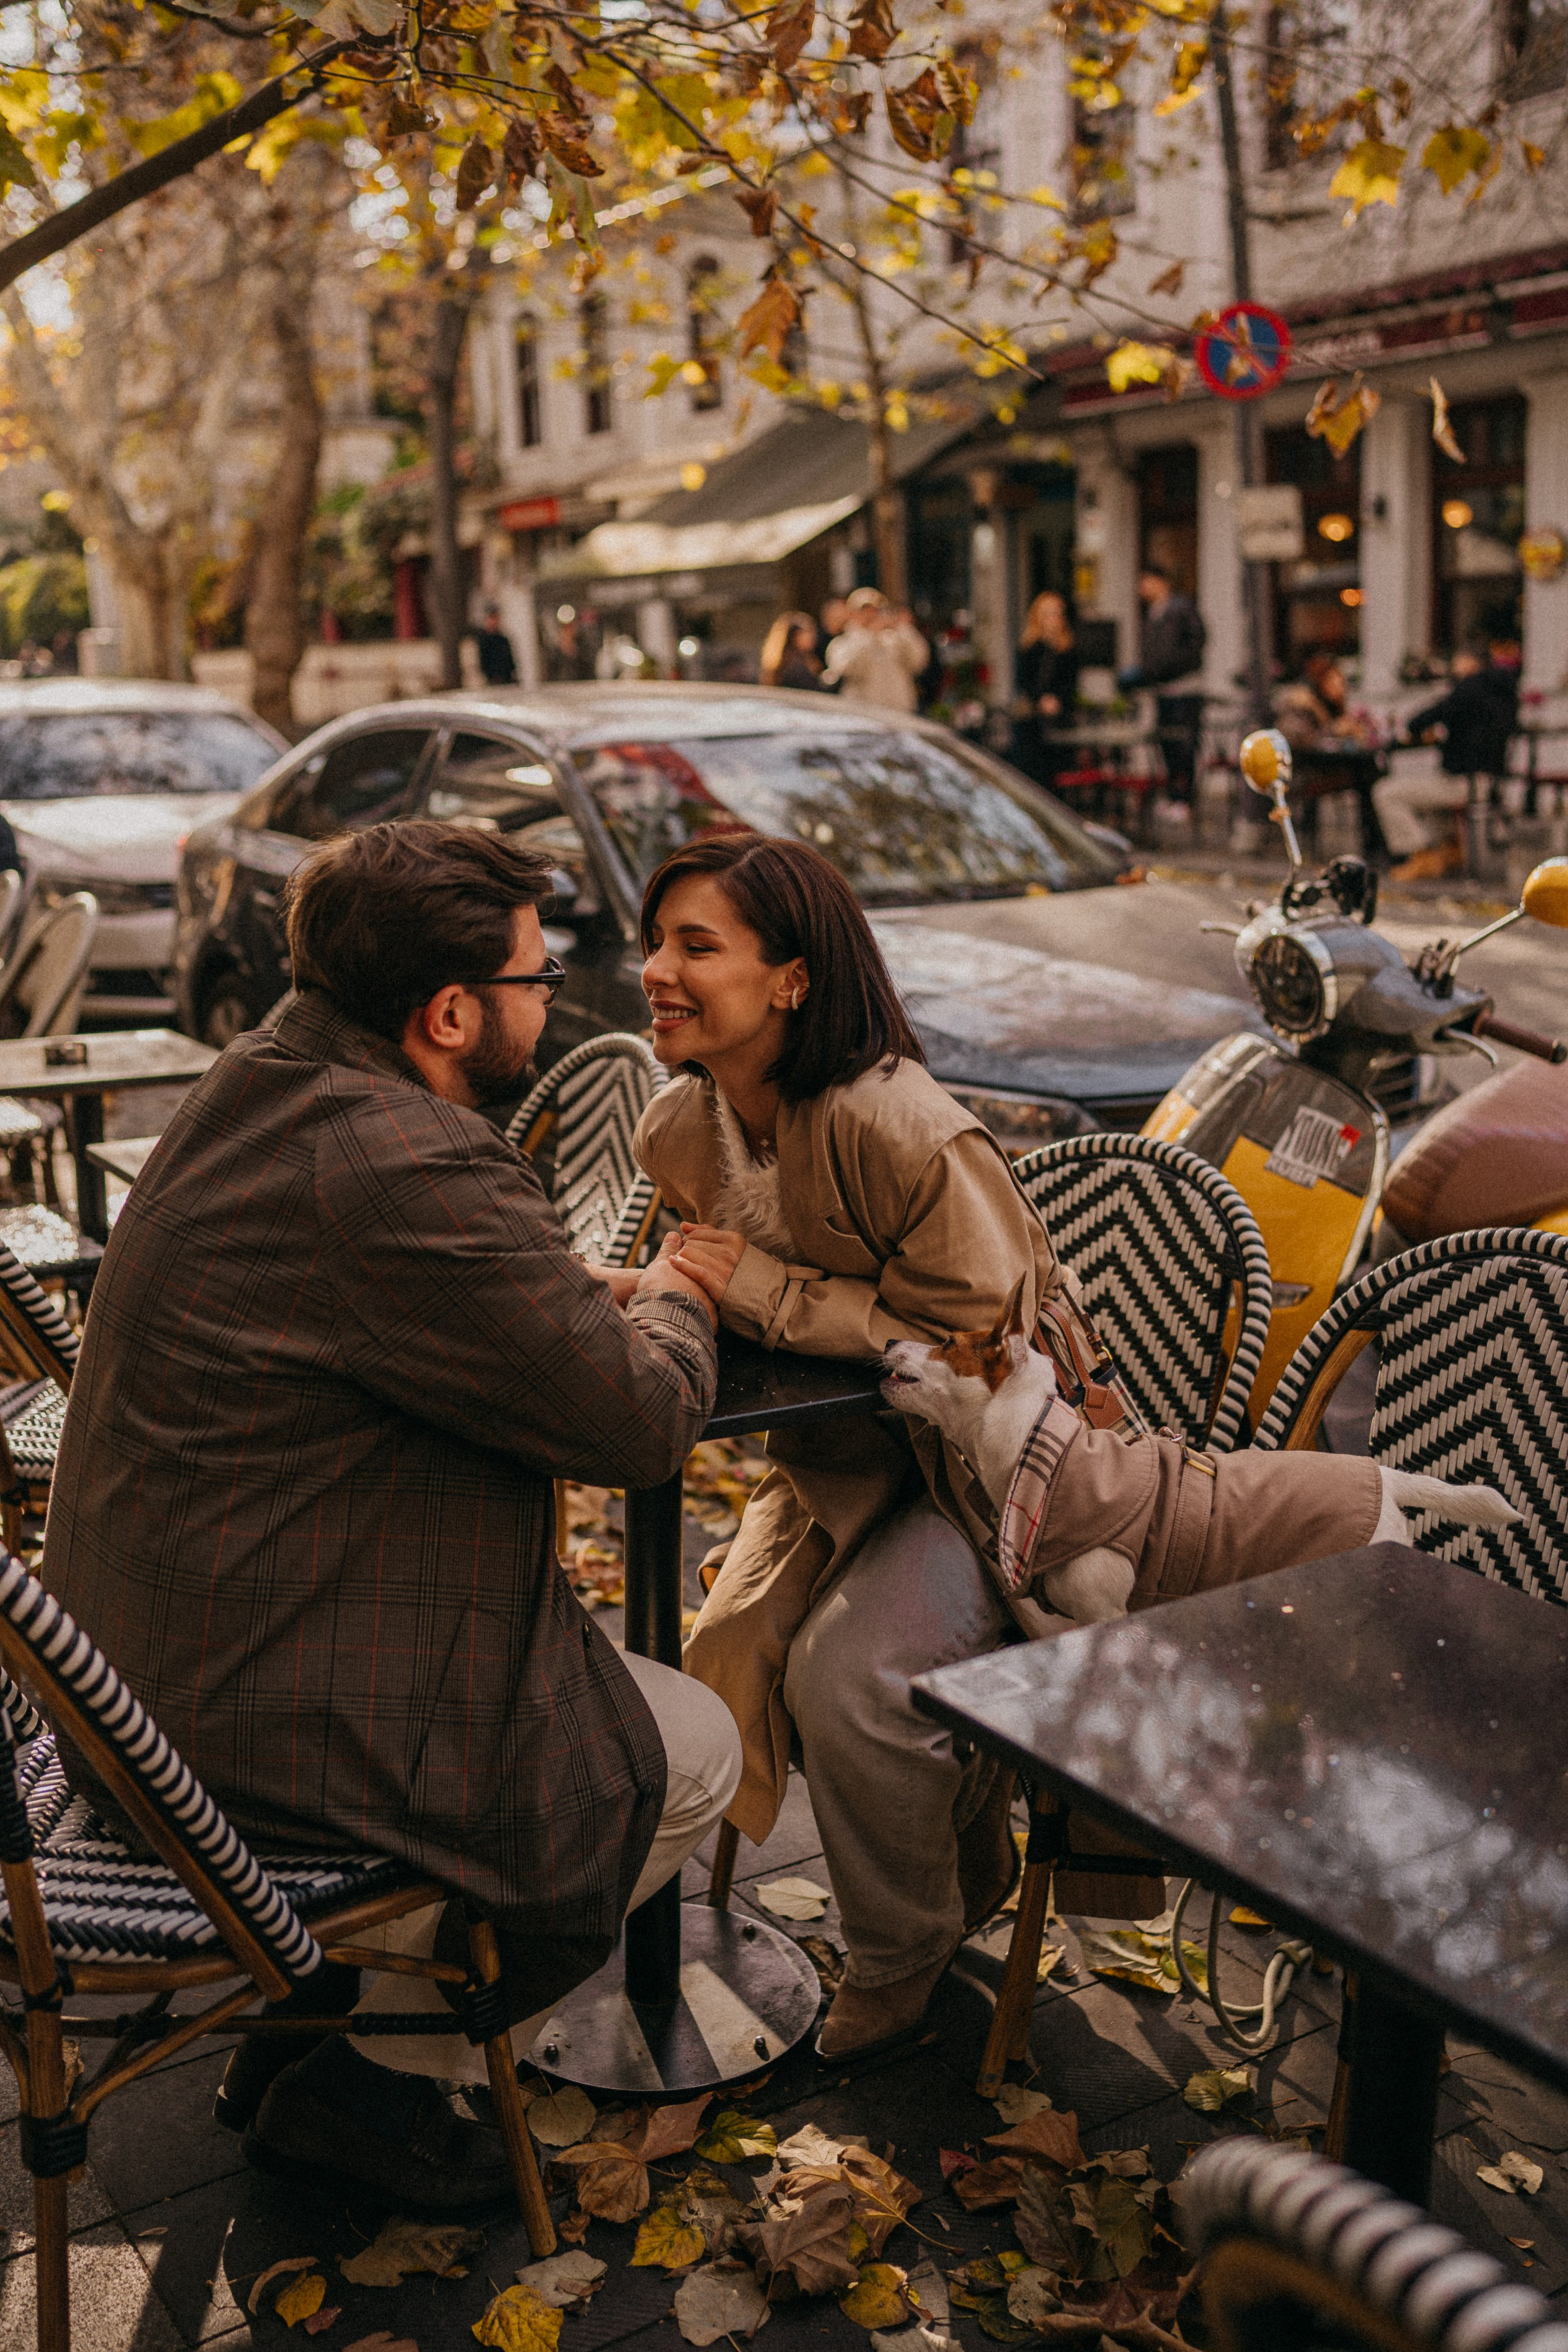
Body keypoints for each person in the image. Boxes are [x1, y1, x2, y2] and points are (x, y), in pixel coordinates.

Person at [43, 820, 739, 2208]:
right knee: (687, 1746)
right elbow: (641, 1425)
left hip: (126, 1660)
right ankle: (377, 2080)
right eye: (539, 979)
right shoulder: (405, 1155)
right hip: (229, 1721)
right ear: (449, 1011)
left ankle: (309, 2030)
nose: (557, 1001)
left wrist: (559, 1298)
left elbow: (401, 1299)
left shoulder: (265, 1072)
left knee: (571, 1682)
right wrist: (678, 1287)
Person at [633, 835, 1062, 2060]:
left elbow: (984, 1345)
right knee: (716, 1647)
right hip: (838, 1460)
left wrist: (765, 1292)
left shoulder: (899, 1128)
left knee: (843, 1677)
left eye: (695, 945)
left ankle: (901, 1953)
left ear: (790, 979)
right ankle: (950, 1850)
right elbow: (703, 1282)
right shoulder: (681, 1126)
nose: (656, 969)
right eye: (654, 941)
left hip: (994, 1478)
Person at [1374, 646, 1520, 881]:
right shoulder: (1504, 692)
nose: (1454, 664)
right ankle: (1450, 850)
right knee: (1434, 786)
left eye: (1459, 659)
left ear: (1472, 662)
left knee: (1386, 792)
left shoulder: (1470, 689)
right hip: (1489, 781)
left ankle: (1419, 853)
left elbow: (1419, 721)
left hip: (1465, 783)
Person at [1117, 564, 1207, 806]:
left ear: (1161, 581)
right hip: (1162, 690)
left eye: (1146, 581)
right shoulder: (1153, 614)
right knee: (1165, 743)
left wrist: (1166, 667)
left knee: (1184, 746)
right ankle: (1173, 795)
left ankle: (1184, 800)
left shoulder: (1180, 609)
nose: (1142, 588)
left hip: (1184, 690)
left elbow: (1196, 643)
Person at [821, 587, 929, 714]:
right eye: (865, 610)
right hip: (864, 716)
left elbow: (919, 662)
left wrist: (902, 628)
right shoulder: (841, 644)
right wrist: (866, 635)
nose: (871, 614)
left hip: (900, 712)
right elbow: (848, 668)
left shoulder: (895, 639)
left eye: (876, 610)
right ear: (852, 613)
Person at [1012, 590, 1079, 785]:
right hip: (1031, 721)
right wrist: (1040, 700)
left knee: (1056, 776)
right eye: (1050, 613)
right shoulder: (1028, 647)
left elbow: (1071, 684)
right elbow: (1023, 682)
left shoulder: (1068, 648)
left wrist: (1057, 700)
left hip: (1059, 721)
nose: (1055, 619)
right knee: (1031, 775)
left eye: (1059, 613)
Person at [760, 611, 824, 691]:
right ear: (794, 636)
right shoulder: (791, 665)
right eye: (808, 634)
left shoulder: (808, 660)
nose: (813, 638)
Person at [471, 603, 519, 685]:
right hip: (492, 681)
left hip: (506, 680)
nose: (494, 621)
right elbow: (483, 662)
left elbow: (510, 660)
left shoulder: (503, 639)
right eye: (492, 618)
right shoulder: (483, 640)